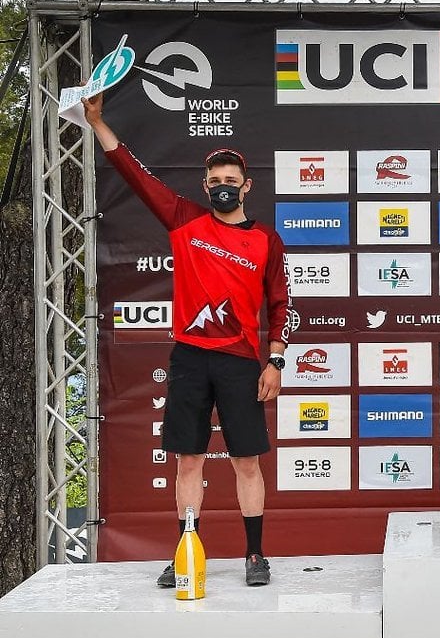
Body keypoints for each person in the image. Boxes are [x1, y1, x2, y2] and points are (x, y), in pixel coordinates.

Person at [83, 93, 291, 587]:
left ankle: (255, 555)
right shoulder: (184, 220)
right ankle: (186, 551)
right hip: (191, 359)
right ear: (205, 186)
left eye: (230, 182)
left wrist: (276, 361)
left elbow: (283, 305)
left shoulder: (266, 239)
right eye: (215, 182)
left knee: (246, 461)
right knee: (189, 459)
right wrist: (96, 122)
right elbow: (133, 173)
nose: (223, 188)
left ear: (247, 186)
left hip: (242, 362)